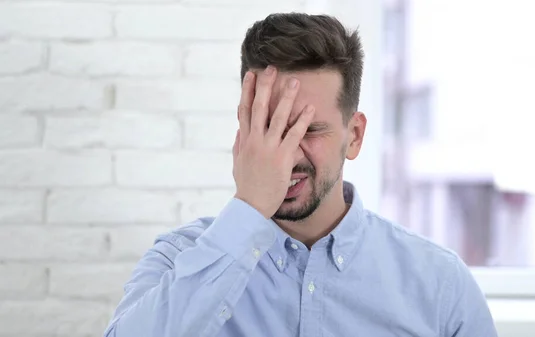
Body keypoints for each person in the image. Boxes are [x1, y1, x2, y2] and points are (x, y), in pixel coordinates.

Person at [103, 13, 497, 337]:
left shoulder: (440, 285)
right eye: (270, 125)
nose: (287, 153)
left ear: (355, 136)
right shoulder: (178, 259)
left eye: (309, 130)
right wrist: (249, 207)